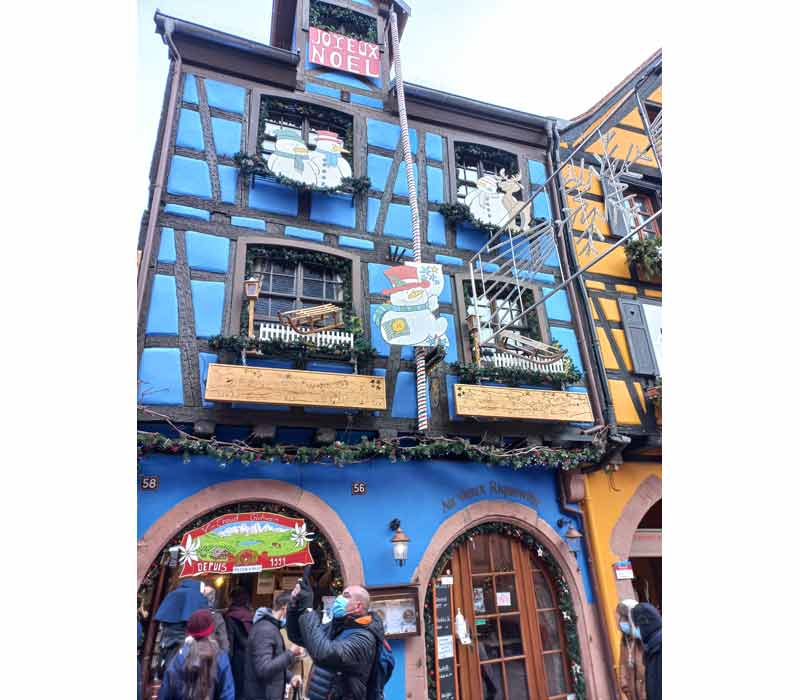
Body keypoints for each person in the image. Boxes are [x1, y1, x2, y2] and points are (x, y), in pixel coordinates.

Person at [287, 580, 384, 700]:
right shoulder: (337, 626)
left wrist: (308, 610)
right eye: (341, 594)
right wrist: (295, 607)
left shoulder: (364, 638)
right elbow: (300, 637)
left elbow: (324, 654)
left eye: (346, 596)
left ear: (358, 606)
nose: (339, 598)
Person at [158, 609, 235, 700]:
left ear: (189, 630)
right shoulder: (221, 657)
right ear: (211, 630)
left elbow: (166, 692)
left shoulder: (179, 657)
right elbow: (227, 693)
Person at [243, 591, 303, 700]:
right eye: (295, 612)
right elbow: (263, 669)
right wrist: (290, 653)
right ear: (285, 608)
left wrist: (290, 677)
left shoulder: (272, 627)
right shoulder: (265, 630)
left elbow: (273, 662)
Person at [154, 579, 209, 675]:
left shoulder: (174, 593)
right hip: (185, 633)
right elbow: (203, 617)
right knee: (183, 663)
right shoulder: (197, 596)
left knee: (168, 658)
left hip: (169, 632)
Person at [224, 587, 253, 698]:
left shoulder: (230, 616)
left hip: (237, 658)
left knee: (235, 689)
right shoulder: (251, 615)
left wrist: (227, 662)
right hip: (251, 656)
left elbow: (230, 640)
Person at [617, 599, 646, 700]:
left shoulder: (644, 636)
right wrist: (625, 686)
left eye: (625, 618)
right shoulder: (624, 641)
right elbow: (622, 665)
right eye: (621, 617)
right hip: (634, 695)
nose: (621, 621)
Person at [632, 603, 661, 700]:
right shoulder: (651, 648)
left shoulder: (658, 648)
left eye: (636, 626)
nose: (635, 630)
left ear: (645, 623)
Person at [202, 584, 230, 654]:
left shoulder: (193, 614)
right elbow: (224, 642)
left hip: (195, 655)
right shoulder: (217, 617)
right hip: (212, 655)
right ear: (213, 599)